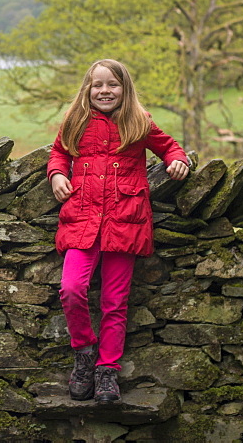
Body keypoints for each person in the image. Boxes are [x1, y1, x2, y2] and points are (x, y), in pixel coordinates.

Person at [47, 59, 189, 404]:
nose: (105, 91)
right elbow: (58, 153)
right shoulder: (75, 121)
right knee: (71, 288)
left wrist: (178, 160)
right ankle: (84, 355)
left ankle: (107, 371)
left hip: (124, 222)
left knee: (115, 303)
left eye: (112, 85)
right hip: (82, 220)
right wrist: (57, 175)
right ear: (87, 89)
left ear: (124, 89)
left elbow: (169, 145)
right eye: (98, 85)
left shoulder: (139, 122)